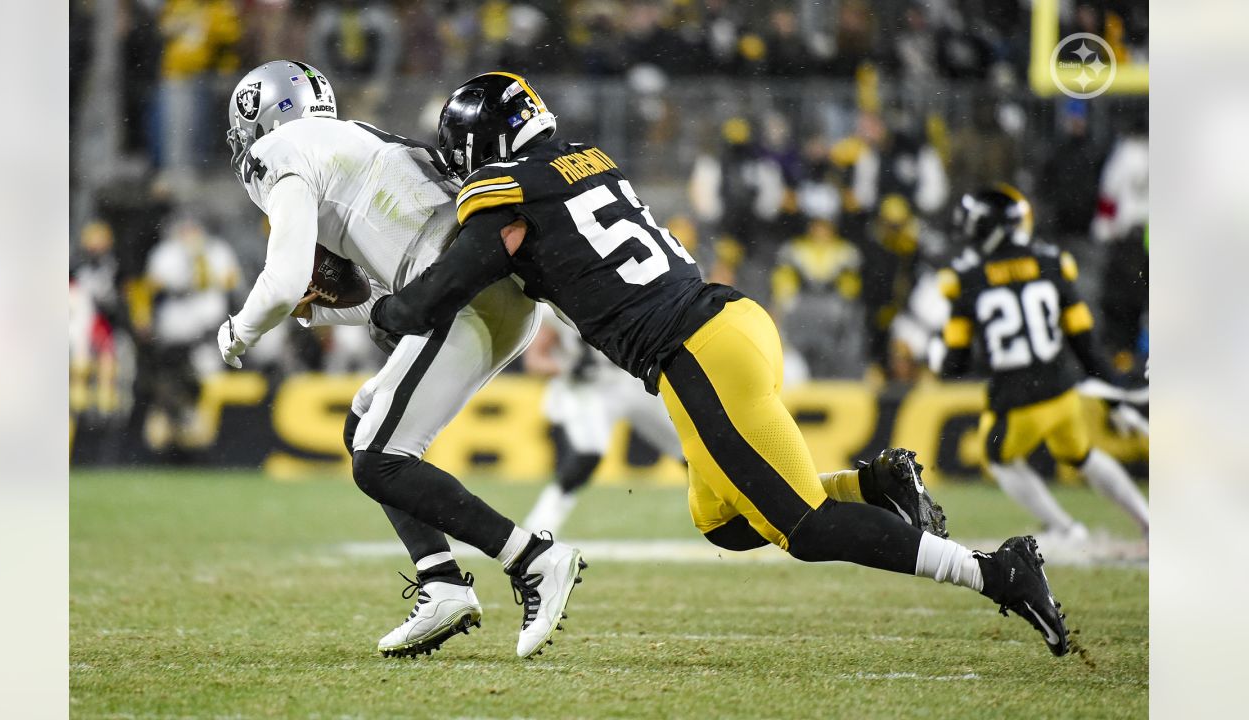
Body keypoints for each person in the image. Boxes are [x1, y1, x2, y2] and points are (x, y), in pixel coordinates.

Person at [370, 72, 1071, 656]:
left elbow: (444, 290)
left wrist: (377, 312)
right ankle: (876, 483)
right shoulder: (585, 158)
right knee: (726, 522)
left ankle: (996, 570)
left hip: (695, 348)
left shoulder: (506, 192)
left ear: (485, 143)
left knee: (806, 528)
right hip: (728, 328)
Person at [216, 61, 585, 660]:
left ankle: (534, 559)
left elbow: (283, 281)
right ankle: (441, 583)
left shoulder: (282, 150)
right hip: (487, 293)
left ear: (262, 114)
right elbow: (385, 300)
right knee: (364, 428)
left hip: (464, 296)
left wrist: (238, 332)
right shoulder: (352, 143)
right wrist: (310, 313)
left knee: (379, 461)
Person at [933, 185, 1150, 542]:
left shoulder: (966, 279)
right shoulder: (1052, 264)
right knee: (1081, 454)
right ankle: (1148, 520)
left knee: (998, 456)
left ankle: (1066, 528)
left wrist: (939, 356)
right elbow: (1085, 342)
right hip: (1062, 389)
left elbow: (954, 364)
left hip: (1015, 398)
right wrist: (1114, 394)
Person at [522, 304, 685, 535]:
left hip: (633, 382)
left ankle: (723, 509)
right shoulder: (557, 307)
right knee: (587, 455)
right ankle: (539, 526)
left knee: (689, 450)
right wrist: (567, 368)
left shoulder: (630, 291)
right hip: (590, 389)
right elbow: (535, 361)